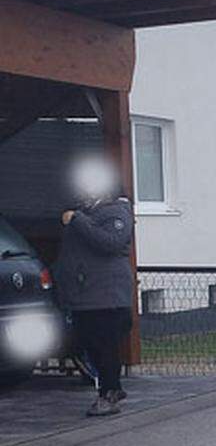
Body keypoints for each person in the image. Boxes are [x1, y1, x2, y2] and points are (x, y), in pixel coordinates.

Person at [55, 157, 135, 417]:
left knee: (104, 346)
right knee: (89, 344)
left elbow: (110, 243)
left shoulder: (117, 212)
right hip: (85, 295)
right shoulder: (89, 212)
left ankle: (110, 393)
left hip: (106, 297)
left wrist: (77, 220)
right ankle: (108, 389)